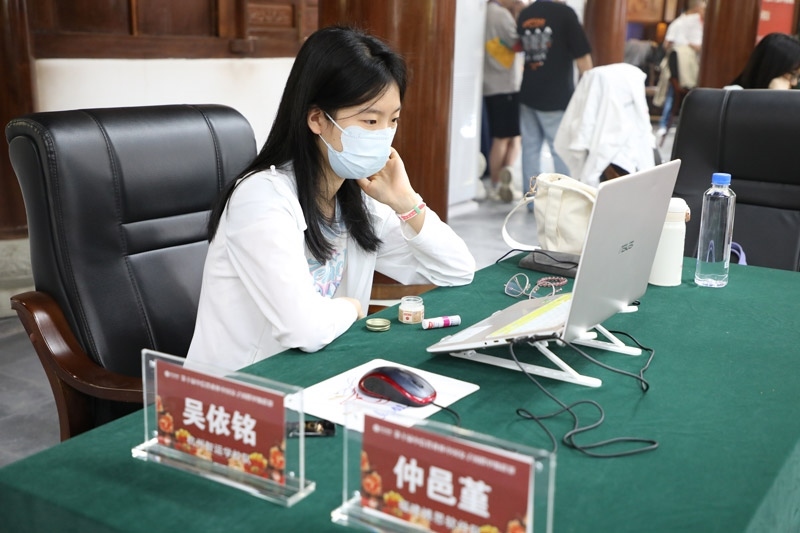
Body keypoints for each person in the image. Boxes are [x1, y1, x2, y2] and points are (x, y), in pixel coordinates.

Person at [186, 26, 476, 371]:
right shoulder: (260, 199)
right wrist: (353, 307)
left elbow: (457, 270)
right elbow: (304, 330)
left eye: (393, 120)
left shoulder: (357, 200)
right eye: (370, 120)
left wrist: (406, 202)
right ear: (317, 120)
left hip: (320, 375)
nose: (384, 134)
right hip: (242, 389)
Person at [517, 0, 592, 199]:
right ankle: (565, 201)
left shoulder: (526, 14)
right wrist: (590, 94)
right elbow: (582, 57)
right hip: (555, 95)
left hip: (528, 91)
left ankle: (531, 200)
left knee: (530, 148)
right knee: (560, 149)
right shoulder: (565, 14)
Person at [483, 0, 523, 202]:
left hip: (491, 84)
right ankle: (498, 184)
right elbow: (518, 43)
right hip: (506, 85)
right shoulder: (500, 14)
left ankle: (501, 182)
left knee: (508, 136)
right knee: (505, 138)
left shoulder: (485, 12)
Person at [654, 0, 706, 140]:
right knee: (672, 94)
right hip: (678, 64)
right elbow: (668, 44)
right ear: (697, 8)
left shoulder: (700, 23)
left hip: (693, 66)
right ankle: (664, 124)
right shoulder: (681, 23)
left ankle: (675, 125)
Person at [728, 32, 800, 90]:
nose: (794, 83)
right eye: (792, 74)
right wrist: (776, 96)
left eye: (798, 76)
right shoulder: (733, 94)